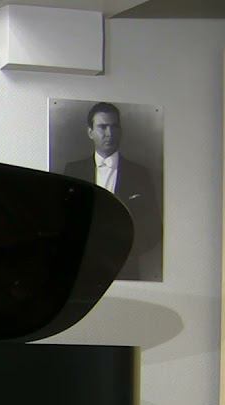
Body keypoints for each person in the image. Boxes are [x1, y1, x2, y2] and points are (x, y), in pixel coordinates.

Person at [63, 101, 162, 281]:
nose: (110, 133)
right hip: (81, 271)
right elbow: (63, 220)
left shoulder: (140, 174)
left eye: (114, 127)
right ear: (90, 132)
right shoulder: (73, 171)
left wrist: (124, 250)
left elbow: (153, 227)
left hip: (125, 270)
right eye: (102, 127)